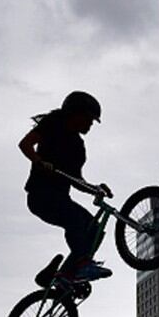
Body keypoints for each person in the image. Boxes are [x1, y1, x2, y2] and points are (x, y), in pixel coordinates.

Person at [18, 91, 113, 281]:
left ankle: (62, 274)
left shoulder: (78, 147)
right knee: (75, 219)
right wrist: (38, 161)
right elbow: (25, 144)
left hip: (61, 198)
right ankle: (82, 265)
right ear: (74, 113)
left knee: (94, 229)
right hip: (40, 196)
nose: (90, 125)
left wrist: (95, 188)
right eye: (88, 119)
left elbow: (76, 180)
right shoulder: (53, 123)